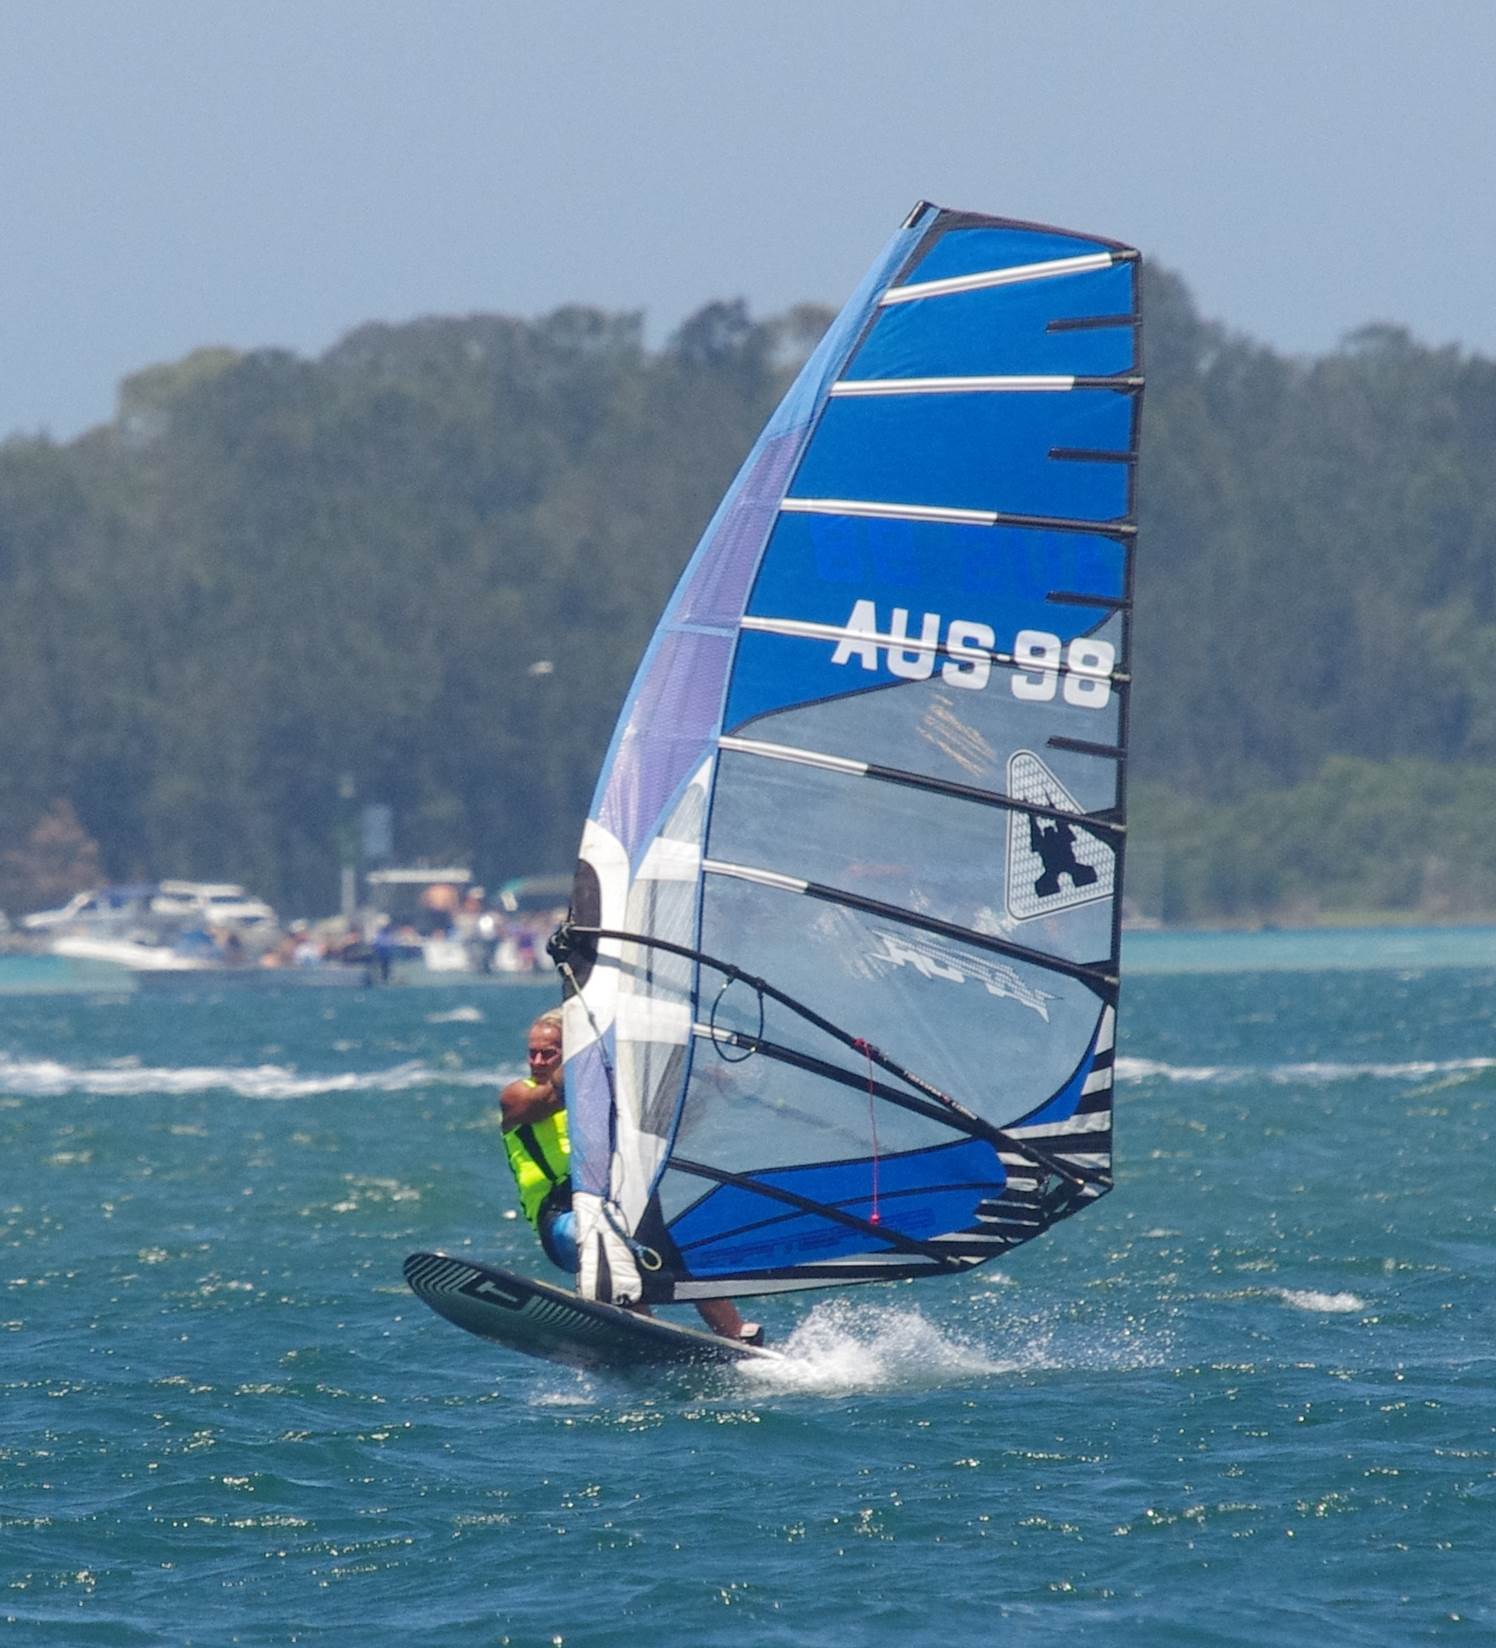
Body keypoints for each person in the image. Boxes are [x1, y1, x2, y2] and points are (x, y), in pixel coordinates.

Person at [499, 1010, 760, 1344]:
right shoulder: (517, 1097)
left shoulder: (607, 1099)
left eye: (548, 1054)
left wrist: (707, 1089)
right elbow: (556, 1092)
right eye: (532, 1053)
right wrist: (599, 1042)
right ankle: (644, 1334)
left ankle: (737, 1337)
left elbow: (664, 1135)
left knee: (674, 1238)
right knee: (610, 1235)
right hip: (561, 1219)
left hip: (618, 1205)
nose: (537, 1061)